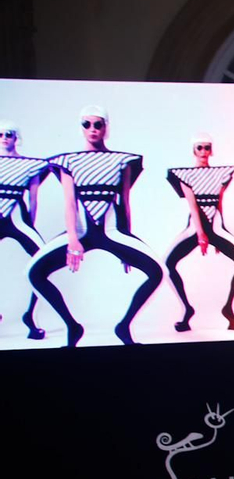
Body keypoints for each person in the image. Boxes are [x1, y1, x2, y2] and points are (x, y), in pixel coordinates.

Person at [28, 106, 164, 347]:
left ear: (105, 128)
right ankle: (72, 326)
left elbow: (125, 203)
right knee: (34, 273)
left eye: (98, 124)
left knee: (157, 272)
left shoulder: (122, 161)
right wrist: (72, 239)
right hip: (81, 233)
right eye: (86, 124)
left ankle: (124, 326)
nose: (92, 129)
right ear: (81, 127)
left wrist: (128, 243)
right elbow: (70, 203)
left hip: (113, 232)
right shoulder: (68, 161)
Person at [164, 133, 234, 332]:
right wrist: (201, 234)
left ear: (211, 150)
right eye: (199, 147)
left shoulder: (220, 174)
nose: (203, 151)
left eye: (207, 147)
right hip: (195, 226)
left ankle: (228, 309)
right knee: (167, 264)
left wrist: (222, 232)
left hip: (216, 226)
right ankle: (186, 310)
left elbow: (219, 202)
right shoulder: (185, 175)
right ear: (193, 150)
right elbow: (193, 206)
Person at [0, 120, 49, 340]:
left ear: (16, 137)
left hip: (18, 219)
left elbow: (34, 198)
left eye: (8, 134)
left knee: (43, 261)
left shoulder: (30, 165)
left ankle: (30, 316)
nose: (4, 138)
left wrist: (30, 224)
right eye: (0, 134)